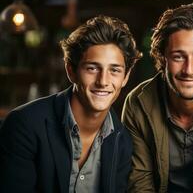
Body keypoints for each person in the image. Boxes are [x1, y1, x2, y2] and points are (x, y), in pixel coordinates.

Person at [0, 15, 141, 193]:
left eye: (114, 70)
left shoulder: (122, 140)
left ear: (125, 77)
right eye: (92, 68)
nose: (103, 81)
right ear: (71, 71)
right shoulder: (24, 125)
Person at [121, 2, 193, 192]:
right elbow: (139, 181)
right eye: (178, 57)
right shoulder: (139, 103)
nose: (189, 70)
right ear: (163, 57)